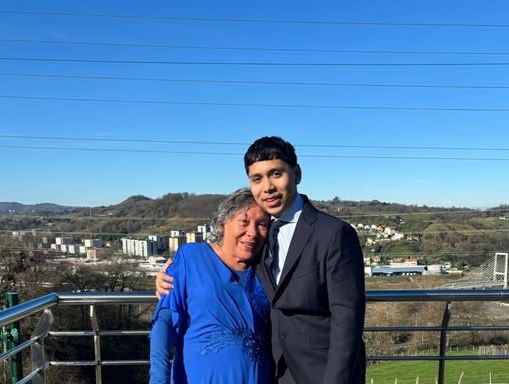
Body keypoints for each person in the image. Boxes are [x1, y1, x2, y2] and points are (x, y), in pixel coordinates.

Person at [157, 136, 366, 383]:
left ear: (296, 174)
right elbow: (224, 266)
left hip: (321, 373)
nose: (267, 187)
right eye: (257, 178)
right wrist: (169, 277)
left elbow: (347, 321)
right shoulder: (259, 239)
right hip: (273, 373)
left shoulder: (333, 233)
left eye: (276, 174)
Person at [149, 188, 271, 384]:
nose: (252, 233)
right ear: (223, 223)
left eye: (262, 225)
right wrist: (158, 380)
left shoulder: (266, 271)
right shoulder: (191, 257)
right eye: (244, 222)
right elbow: (163, 323)